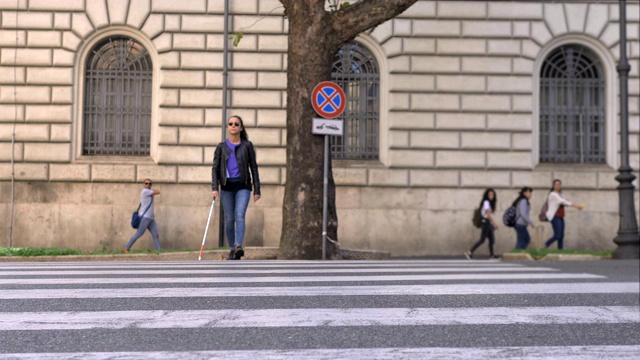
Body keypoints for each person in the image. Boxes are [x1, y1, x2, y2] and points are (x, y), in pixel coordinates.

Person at [211, 115, 261, 260]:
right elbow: (215, 169)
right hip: (226, 187)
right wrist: (215, 188)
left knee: (239, 215)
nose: (233, 126)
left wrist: (257, 189)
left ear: (241, 127)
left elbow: (254, 167)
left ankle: (238, 245)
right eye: (230, 124)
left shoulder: (247, 145)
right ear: (227, 127)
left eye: (236, 124)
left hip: (243, 186)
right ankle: (232, 249)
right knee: (228, 219)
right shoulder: (221, 147)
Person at [544, 179, 584, 249]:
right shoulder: (553, 194)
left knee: (561, 235)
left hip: (560, 216)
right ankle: (545, 245)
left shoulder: (560, 194)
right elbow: (562, 201)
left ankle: (560, 250)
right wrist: (576, 206)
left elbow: (565, 201)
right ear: (553, 186)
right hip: (554, 216)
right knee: (557, 235)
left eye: (559, 184)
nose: (558, 186)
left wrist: (569, 202)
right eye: (556, 184)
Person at [124, 179, 161, 252]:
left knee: (155, 234)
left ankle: (158, 250)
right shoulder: (145, 191)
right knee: (139, 234)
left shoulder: (149, 192)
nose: (148, 185)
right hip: (145, 217)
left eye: (150, 183)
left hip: (151, 218)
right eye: (146, 183)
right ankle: (126, 248)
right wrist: (152, 189)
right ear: (144, 184)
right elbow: (158, 192)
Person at [465, 188, 499, 260]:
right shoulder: (486, 202)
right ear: (487, 195)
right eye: (490, 194)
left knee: (491, 239)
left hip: (487, 222)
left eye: (492, 194)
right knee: (482, 240)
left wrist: (491, 223)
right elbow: (487, 214)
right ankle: (470, 251)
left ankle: (492, 255)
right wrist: (494, 223)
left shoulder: (489, 203)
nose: (491, 196)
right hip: (485, 222)